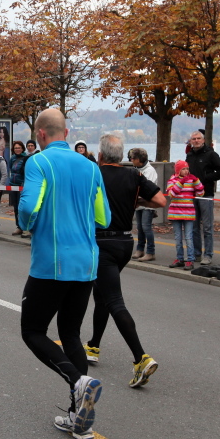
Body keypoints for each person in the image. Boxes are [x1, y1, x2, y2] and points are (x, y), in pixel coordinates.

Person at [18, 108, 110, 439]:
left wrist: (28, 225)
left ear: (40, 134)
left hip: (52, 261)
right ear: (67, 133)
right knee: (70, 334)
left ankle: (78, 381)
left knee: (32, 330)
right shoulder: (91, 166)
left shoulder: (38, 162)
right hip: (86, 263)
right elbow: (104, 217)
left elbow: (28, 208)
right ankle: (78, 418)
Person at [85, 135, 166, 389]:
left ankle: (141, 358)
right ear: (121, 156)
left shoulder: (94, 174)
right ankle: (93, 346)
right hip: (125, 243)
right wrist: (136, 201)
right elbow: (161, 201)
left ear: (100, 155)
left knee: (113, 300)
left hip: (102, 243)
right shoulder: (134, 175)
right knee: (102, 294)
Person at [185, 130, 220, 265]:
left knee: (207, 227)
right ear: (191, 141)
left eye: (198, 138)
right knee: (194, 226)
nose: (196, 141)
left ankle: (208, 254)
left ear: (203, 140)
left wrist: (206, 179)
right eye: (194, 139)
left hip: (206, 194)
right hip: (191, 194)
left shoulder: (211, 154)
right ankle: (197, 254)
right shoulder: (189, 155)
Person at [167, 160, 204, 271]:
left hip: (188, 213)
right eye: (183, 169)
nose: (186, 171)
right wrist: (181, 182)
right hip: (175, 213)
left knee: (188, 237)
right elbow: (171, 194)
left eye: (187, 169)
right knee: (178, 238)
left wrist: (196, 181)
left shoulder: (191, 181)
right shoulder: (172, 180)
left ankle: (190, 259)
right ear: (178, 170)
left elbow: (201, 193)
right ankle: (179, 258)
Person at [129, 148, 158, 262]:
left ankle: (151, 251)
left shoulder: (150, 171)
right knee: (140, 227)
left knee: (146, 227)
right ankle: (140, 249)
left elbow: (147, 188)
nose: (131, 160)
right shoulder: (136, 170)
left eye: (133, 158)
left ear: (139, 159)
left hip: (147, 203)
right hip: (138, 203)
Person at [8, 141, 28, 236]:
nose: (17, 149)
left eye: (19, 148)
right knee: (16, 207)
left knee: (22, 207)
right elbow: (10, 169)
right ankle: (18, 226)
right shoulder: (12, 158)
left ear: (22, 148)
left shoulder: (26, 158)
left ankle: (25, 227)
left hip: (22, 186)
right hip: (13, 185)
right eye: (15, 148)